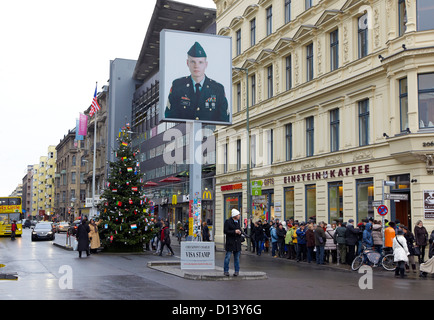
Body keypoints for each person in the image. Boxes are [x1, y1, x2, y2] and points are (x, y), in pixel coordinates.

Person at [164, 41, 229, 123]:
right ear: (187, 63)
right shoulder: (178, 86)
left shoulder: (218, 89)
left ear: (206, 64)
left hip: (209, 132)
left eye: (200, 62)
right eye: (193, 62)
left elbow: (224, 118)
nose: (196, 66)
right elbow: (169, 115)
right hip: (184, 132)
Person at [223, 209, 243, 276]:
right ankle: (226, 271)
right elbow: (225, 231)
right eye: (238, 215)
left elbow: (239, 230)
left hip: (237, 243)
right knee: (227, 257)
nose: (239, 216)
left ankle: (236, 271)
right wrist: (234, 231)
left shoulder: (238, 222)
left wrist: (240, 232)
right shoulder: (228, 222)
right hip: (230, 242)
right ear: (235, 215)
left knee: (237, 258)